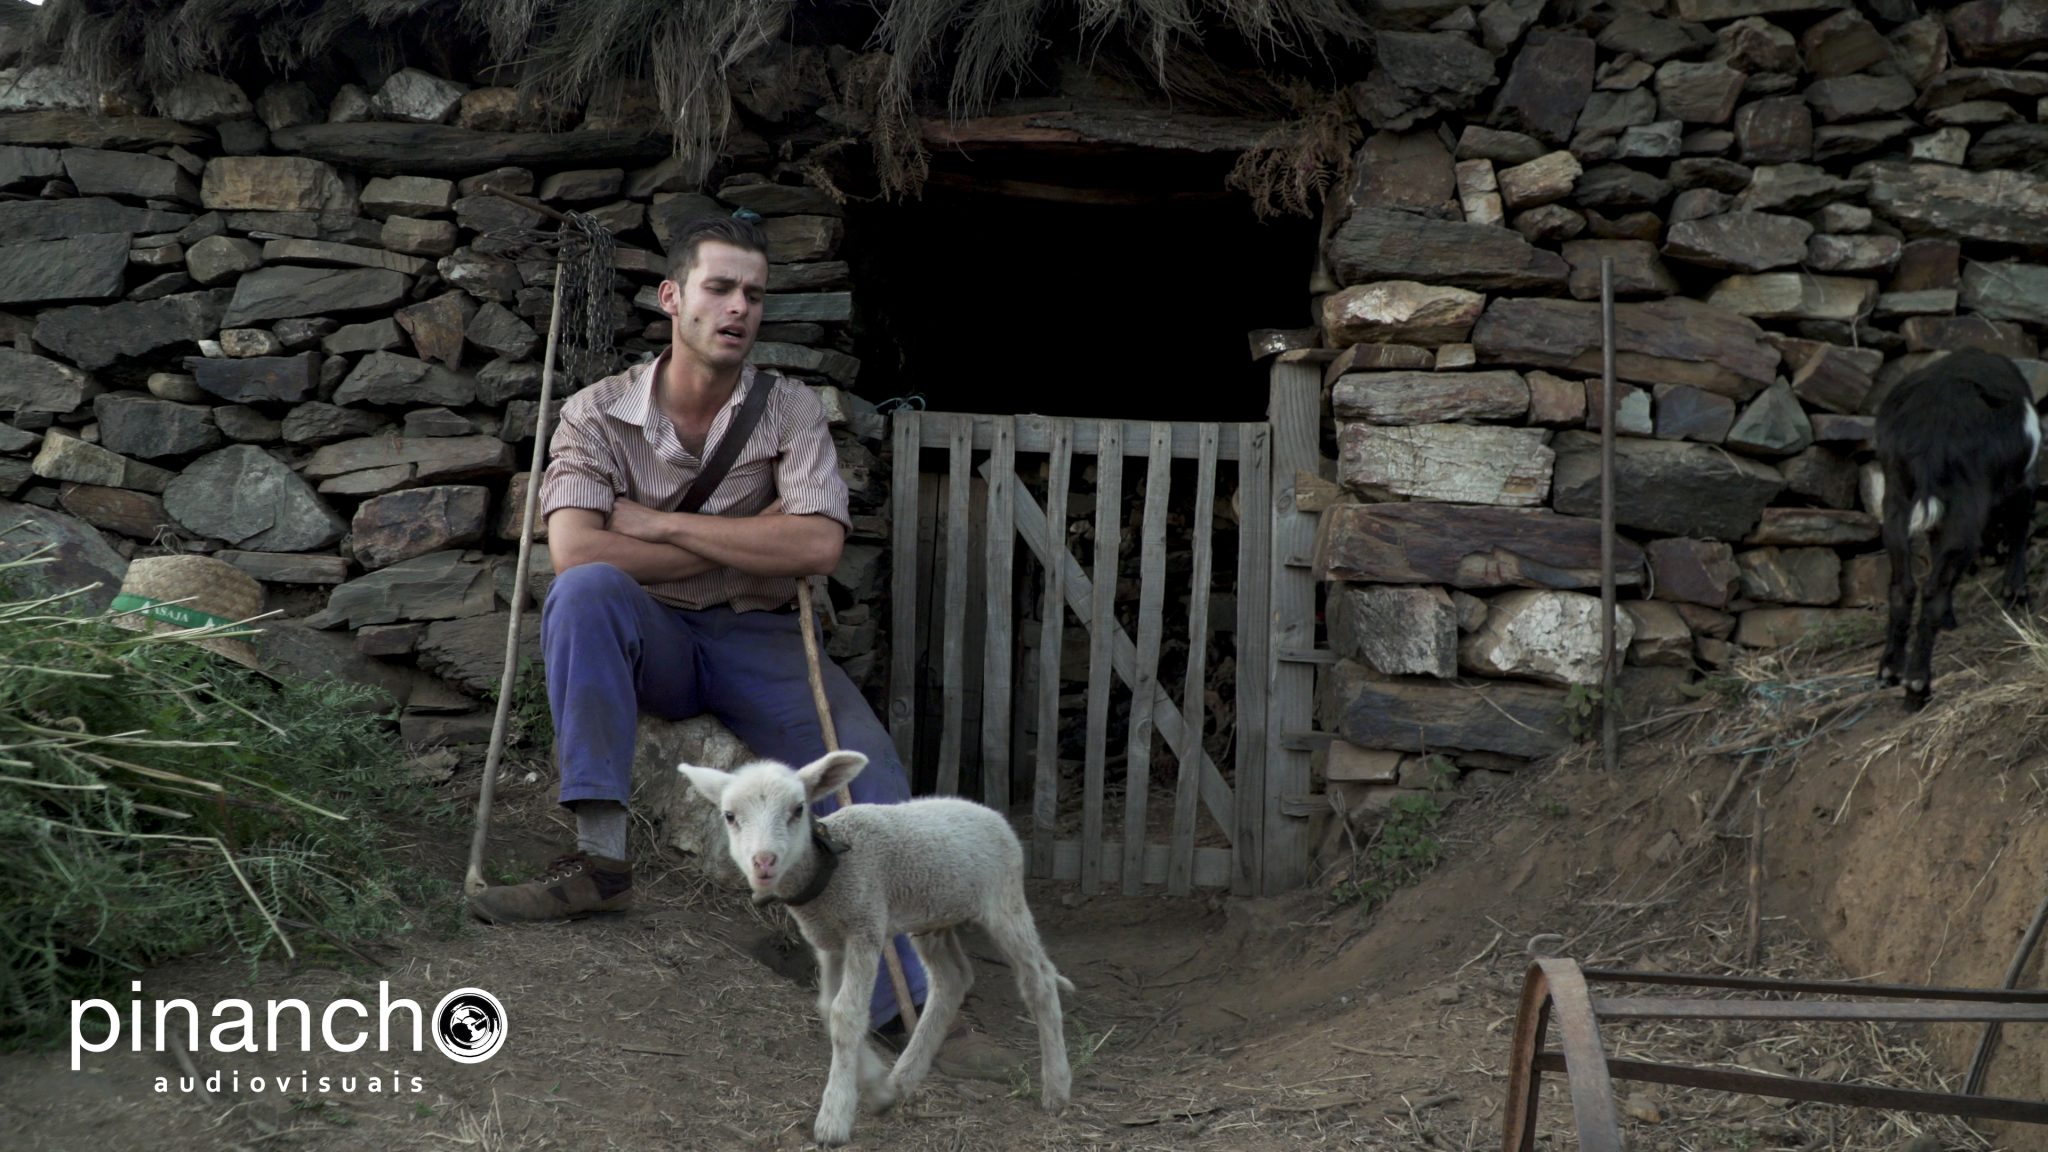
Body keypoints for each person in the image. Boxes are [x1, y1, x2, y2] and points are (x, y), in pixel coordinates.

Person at [466, 213, 993, 1066]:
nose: (738, 307)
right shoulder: (595, 414)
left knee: (865, 774)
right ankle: (599, 864)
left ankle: (913, 1003)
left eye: (754, 293)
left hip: (765, 640)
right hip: (654, 638)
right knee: (587, 593)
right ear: (673, 297)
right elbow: (577, 549)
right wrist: (750, 539)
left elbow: (817, 547)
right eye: (719, 287)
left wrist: (658, 525)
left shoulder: (789, 411)